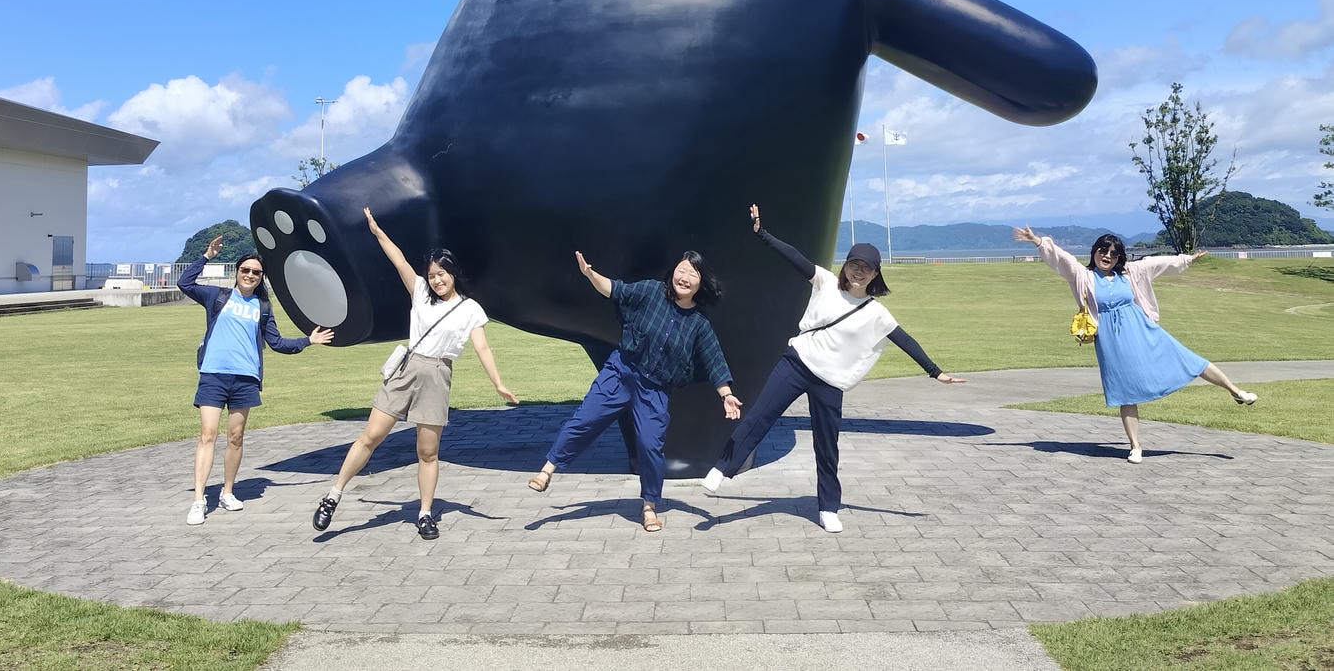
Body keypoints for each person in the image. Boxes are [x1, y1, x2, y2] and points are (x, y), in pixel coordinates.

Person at [701, 205, 965, 532]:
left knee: (827, 445)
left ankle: (828, 507)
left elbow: (904, 340)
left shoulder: (876, 312)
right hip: (797, 364)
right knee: (760, 416)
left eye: (866, 268)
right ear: (846, 265)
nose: (858, 271)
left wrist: (935, 371)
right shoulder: (825, 281)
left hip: (831, 381)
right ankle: (723, 468)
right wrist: (762, 234)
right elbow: (794, 257)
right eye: (854, 264)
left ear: (875, 274)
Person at [311, 208, 517, 540]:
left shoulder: (470, 308)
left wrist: (498, 384)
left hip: (438, 375)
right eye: (433, 274)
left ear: (453, 273)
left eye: (442, 274)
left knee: (427, 451)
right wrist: (377, 232)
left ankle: (424, 513)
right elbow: (399, 262)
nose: (437, 280)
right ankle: (333, 494)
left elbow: (483, 348)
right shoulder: (420, 291)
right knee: (371, 436)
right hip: (408, 367)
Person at [527, 246, 742, 532]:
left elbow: (714, 359)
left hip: (654, 389)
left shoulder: (699, 324)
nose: (685, 277)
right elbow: (615, 290)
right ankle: (547, 470)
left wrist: (726, 395)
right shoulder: (651, 291)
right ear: (672, 274)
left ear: (700, 283)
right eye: (681, 270)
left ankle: (649, 506)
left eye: (692, 274)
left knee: (650, 445)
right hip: (621, 371)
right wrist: (590, 274)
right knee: (584, 420)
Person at [1013, 226, 1259, 462]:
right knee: (1125, 391)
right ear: (1094, 251)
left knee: (1187, 359)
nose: (1107, 256)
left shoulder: (1130, 272)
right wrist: (1037, 240)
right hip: (1110, 340)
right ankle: (1135, 446)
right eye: (1103, 250)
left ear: (1119, 257)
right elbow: (1061, 258)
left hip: (1142, 330)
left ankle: (1236, 392)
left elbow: (1159, 263)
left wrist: (1188, 259)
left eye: (1113, 253)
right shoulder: (1083, 276)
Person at [179, 235, 334, 526]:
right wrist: (207, 255)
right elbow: (185, 284)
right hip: (214, 374)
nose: (250, 275)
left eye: (256, 272)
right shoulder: (218, 297)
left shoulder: (262, 308)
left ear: (261, 278)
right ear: (237, 272)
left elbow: (276, 343)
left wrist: (308, 341)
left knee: (235, 438)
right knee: (207, 435)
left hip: (245, 379)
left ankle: (227, 492)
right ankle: (199, 500)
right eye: (245, 270)